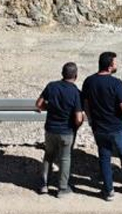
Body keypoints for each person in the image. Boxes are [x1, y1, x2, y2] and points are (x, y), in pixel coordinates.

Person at [82, 52, 122, 201]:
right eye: (115, 63)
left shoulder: (88, 81)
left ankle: (108, 191)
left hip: (99, 127)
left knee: (104, 157)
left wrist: (90, 120)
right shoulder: (116, 83)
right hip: (118, 127)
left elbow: (86, 103)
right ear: (109, 67)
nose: (117, 65)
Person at [35, 62, 85, 197]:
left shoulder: (51, 86)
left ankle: (43, 185)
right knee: (65, 158)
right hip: (66, 131)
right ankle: (62, 188)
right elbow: (79, 118)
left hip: (50, 129)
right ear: (76, 75)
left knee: (48, 156)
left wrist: (49, 108)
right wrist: (76, 127)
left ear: (62, 73)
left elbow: (39, 104)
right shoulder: (76, 92)